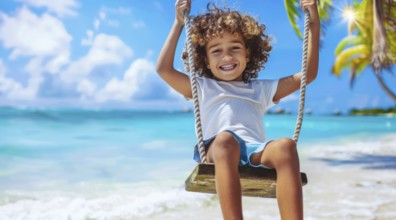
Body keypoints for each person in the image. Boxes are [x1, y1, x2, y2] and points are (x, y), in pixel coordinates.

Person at [156, 0, 319, 219]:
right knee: (226, 140)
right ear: (204, 58)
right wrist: (178, 23)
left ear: (248, 54)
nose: (227, 57)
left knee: (286, 146)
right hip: (218, 149)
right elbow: (164, 69)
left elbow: (307, 75)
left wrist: (313, 22)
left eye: (235, 48)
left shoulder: (260, 89)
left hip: (254, 150)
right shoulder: (203, 87)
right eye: (216, 51)